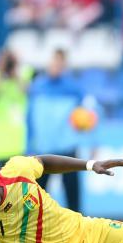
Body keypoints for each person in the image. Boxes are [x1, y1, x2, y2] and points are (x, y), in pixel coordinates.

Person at [28, 49, 87, 213]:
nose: (56, 67)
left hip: (67, 149)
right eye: (54, 63)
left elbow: (89, 115)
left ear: (64, 66)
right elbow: (29, 117)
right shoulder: (37, 87)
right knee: (37, 197)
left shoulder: (74, 89)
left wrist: (91, 139)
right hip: (43, 150)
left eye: (60, 64)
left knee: (73, 197)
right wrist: (29, 144)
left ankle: (77, 231)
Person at [0, 49, 33, 172]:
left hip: (17, 146)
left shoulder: (23, 75)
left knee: (16, 190)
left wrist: (15, 73)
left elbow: (28, 91)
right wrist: (1, 74)